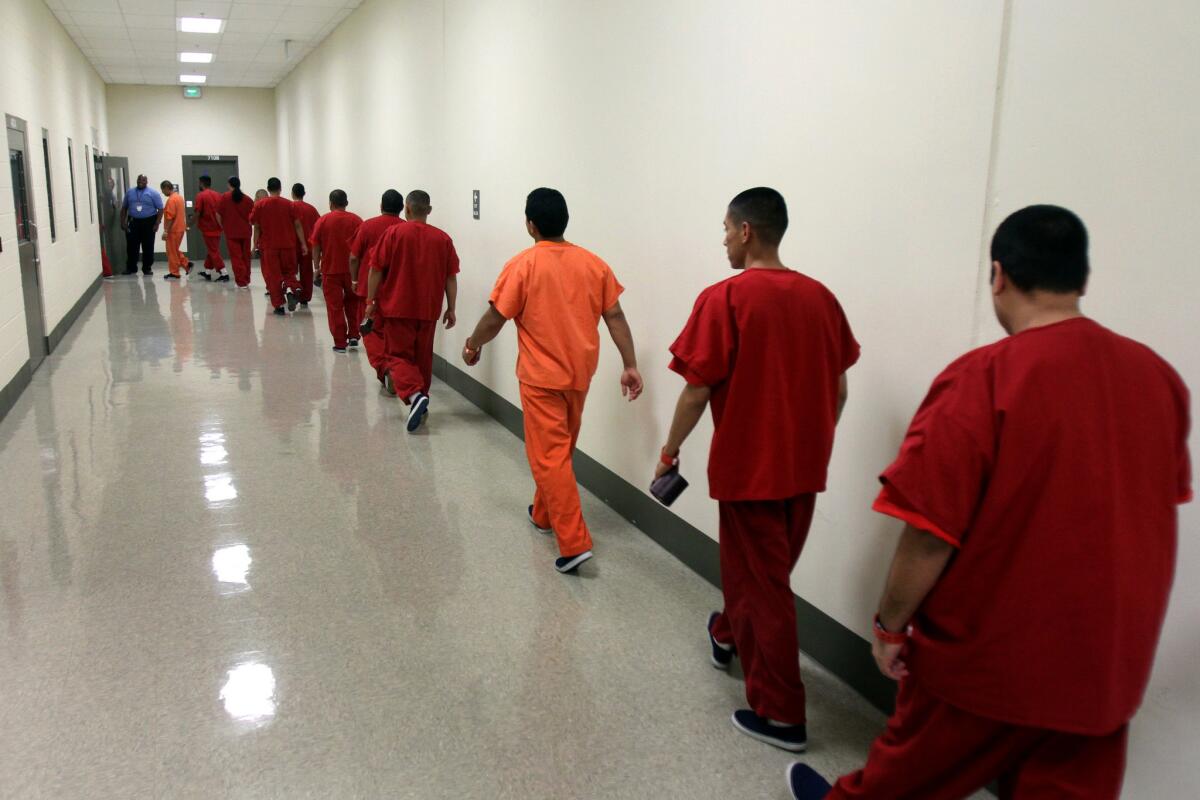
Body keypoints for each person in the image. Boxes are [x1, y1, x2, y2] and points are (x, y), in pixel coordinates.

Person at [786, 205, 1192, 800]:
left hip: (989, 663)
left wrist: (889, 626)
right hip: (1106, 668)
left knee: (902, 781)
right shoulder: (1159, 379)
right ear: (1081, 279)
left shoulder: (985, 378)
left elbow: (928, 531)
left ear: (998, 275)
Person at [657, 187, 859, 752]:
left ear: (746, 232)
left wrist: (670, 450)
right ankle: (726, 634)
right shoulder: (821, 298)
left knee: (765, 587)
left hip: (751, 471)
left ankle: (782, 716)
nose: (722, 239)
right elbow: (838, 388)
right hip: (803, 468)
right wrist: (813, 437)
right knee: (763, 577)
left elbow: (697, 390)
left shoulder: (725, 300)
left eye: (725, 228)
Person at [461, 188, 643, 573]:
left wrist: (473, 343)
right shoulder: (594, 265)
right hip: (580, 375)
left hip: (542, 379)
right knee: (558, 453)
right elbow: (616, 317)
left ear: (530, 224)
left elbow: (496, 317)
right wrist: (630, 364)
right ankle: (543, 514)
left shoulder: (523, 265)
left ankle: (574, 543)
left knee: (549, 456)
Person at [364, 190, 457, 430]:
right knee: (422, 358)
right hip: (428, 309)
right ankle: (422, 402)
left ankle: (415, 396)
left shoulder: (393, 233)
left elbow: (375, 270)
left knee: (398, 356)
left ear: (406, 209)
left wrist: (370, 301)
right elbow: (450, 277)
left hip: (397, 307)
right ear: (429, 210)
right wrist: (451, 308)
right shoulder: (443, 238)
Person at [349, 189, 406, 384]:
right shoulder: (405, 229)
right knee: (394, 333)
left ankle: (384, 368)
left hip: (369, 290)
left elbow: (354, 257)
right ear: (402, 208)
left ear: (381, 206)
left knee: (371, 332)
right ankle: (395, 367)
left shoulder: (367, 226)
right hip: (396, 292)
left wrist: (355, 280)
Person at [309, 189, 364, 352]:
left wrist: (316, 267)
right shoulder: (357, 221)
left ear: (330, 203)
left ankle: (340, 342)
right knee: (353, 303)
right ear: (346, 203)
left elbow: (316, 245)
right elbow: (362, 246)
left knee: (334, 307)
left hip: (331, 270)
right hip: (352, 271)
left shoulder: (323, 221)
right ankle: (354, 335)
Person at [250, 177, 308, 315]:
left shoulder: (260, 205)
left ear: (268, 189)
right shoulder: (290, 205)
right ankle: (292, 289)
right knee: (289, 272)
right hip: (288, 246)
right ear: (280, 188)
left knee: (273, 276)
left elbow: (256, 227)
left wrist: (254, 245)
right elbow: (298, 225)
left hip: (269, 247)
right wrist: (303, 244)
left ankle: (279, 306)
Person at [120, 174, 163, 275]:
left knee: (148, 246)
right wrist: (123, 222)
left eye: (143, 180)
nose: (140, 182)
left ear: (146, 182)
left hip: (149, 222)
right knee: (131, 246)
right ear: (137, 180)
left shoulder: (153, 193)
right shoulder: (130, 192)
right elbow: (124, 208)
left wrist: (157, 223)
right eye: (139, 180)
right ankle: (131, 267)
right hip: (133, 222)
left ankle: (147, 268)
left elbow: (160, 209)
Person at [218, 177, 252, 288]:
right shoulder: (247, 199)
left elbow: (218, 214)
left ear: (229, 185)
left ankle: (241, 281)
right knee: (246, 257)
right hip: (246, 232)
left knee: (236, 258)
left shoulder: (225, 198)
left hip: (231, 233)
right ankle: (246, 279)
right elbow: (252, 216)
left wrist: (222, 225)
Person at [291, 183, 321, 307]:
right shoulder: (311, 209)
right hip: (308, 246)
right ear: (304, 194)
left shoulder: (290, 207)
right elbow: (318, 227)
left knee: (290, 271)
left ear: (292, 194)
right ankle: (305, 297)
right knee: (306, 272)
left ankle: (293, 291)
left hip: (292, 245)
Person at [192, 175, 226, 281]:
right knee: (212, 250)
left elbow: (197, 212)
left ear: (201, 183)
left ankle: (224, 273)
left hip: (208, 228)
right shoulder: (218, 195)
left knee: (213, 251)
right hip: (218, 227)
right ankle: (207, 272)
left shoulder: (200, 196)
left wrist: (189, 224)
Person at [159, 181, 190, 280]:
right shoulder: (179, 197)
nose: (163, 193)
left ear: (166, 188)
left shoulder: (171, 200)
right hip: (180, 228)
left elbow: (170, 217)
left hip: (173, 230)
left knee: (171, 251)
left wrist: (166, 231)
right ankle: (187, 265)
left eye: (163, 190)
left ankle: (174, 273)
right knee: (174, 250)